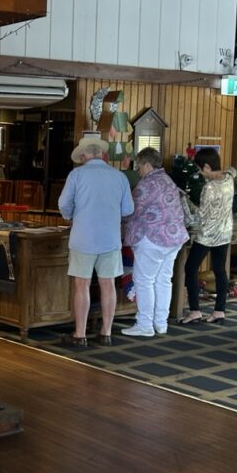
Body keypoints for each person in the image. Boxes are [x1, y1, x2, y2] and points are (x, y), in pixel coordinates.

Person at [58, 137, 134, 346]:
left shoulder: (77, 175)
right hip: (110, 238)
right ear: (101, 154)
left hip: (83, 237)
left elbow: (64, 203)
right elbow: (128, 209)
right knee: (108, 284)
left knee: (81, 285)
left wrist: (72, 215)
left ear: (84, 155)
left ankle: (80, 334)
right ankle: (106, 332)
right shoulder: (119, 176)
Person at [121, 148, 189, 337]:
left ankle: (145, 325)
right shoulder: (168, 180)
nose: (138, 171)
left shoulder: (147, 184)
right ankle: (160, 323)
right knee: (163, 280)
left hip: (152, 239)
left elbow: (130, 210)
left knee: (144, 281)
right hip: (174, 238)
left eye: (139, 166)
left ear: (147, 165)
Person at [181, 148, 236, 325]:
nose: (199, 172)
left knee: (190, 268)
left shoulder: (209, 188)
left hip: (207, 235)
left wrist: (185, 201)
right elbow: (233, 170)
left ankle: (195, 311)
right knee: (220, 269)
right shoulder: (229, 178)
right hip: (225, 232)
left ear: (206, 166)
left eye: (199, 168)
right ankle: (219, 310)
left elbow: (200, 216)